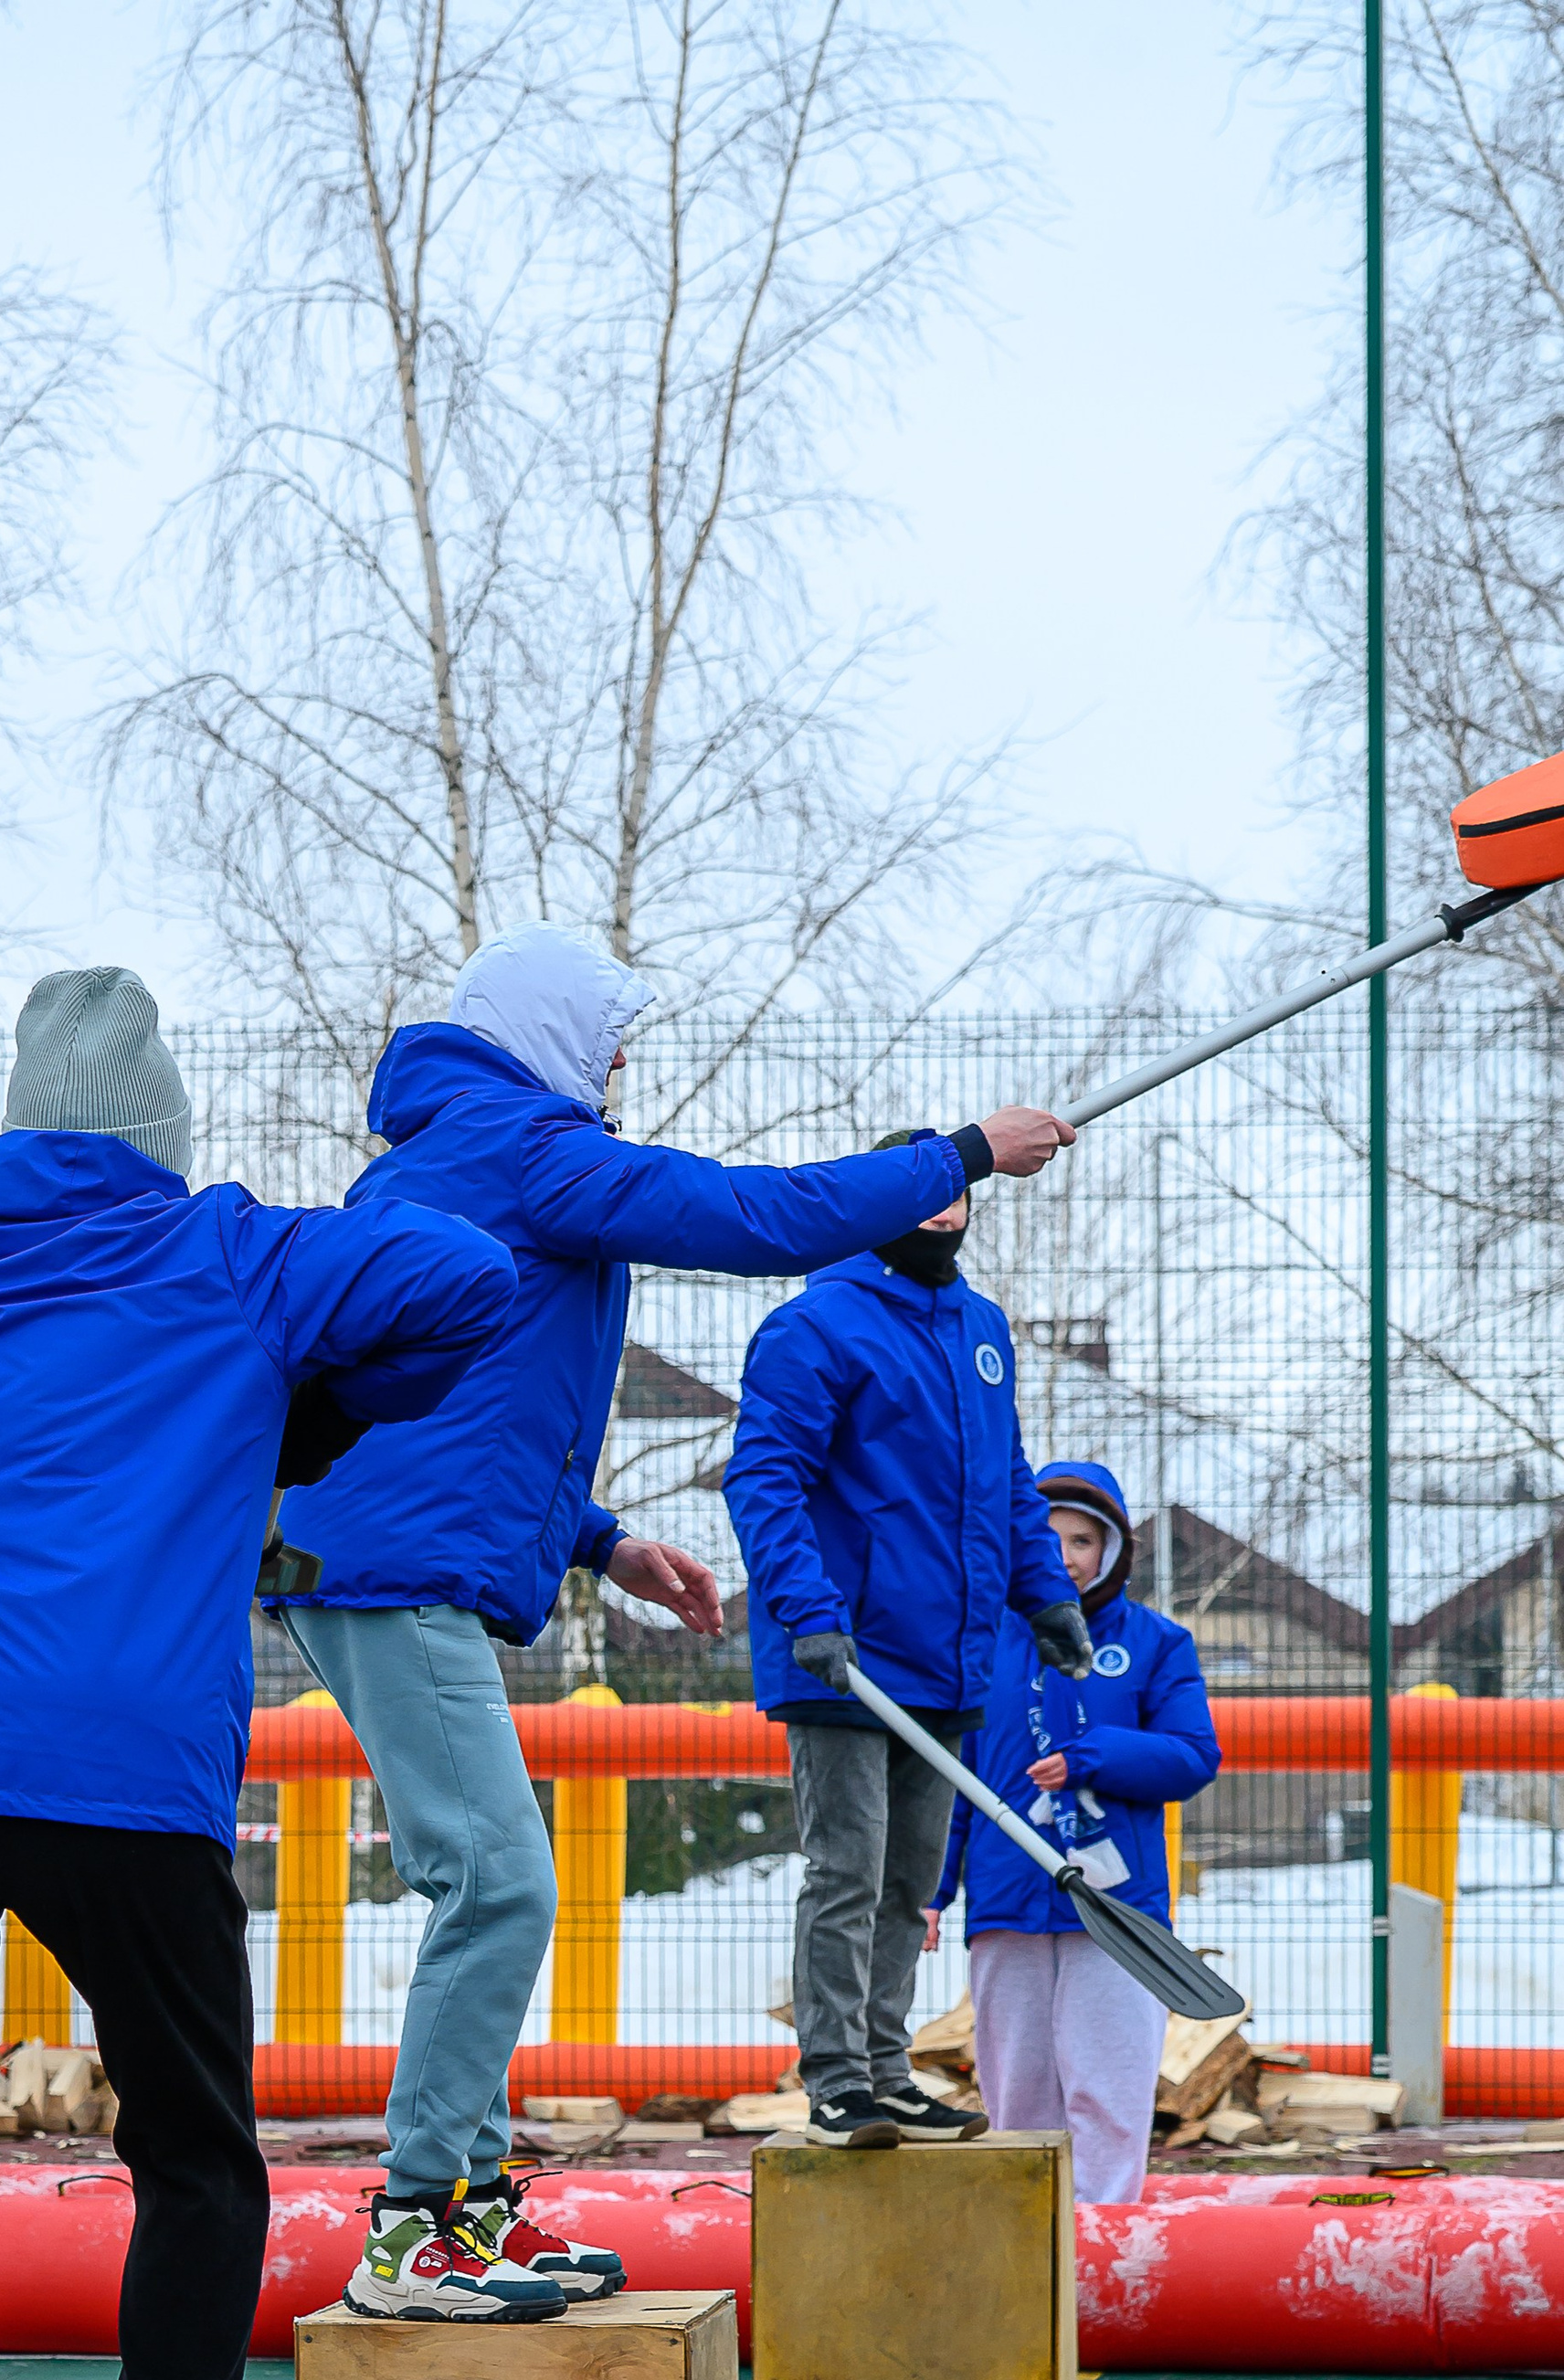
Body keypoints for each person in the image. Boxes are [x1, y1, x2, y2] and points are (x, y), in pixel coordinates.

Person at [0, 967, 518, 2380]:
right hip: (122, 1770)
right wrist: (299, 1409)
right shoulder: (234, 1253)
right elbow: (466, 1283)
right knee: (193, 2147)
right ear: (163, 1132)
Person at [279, 924, 1074, 2308]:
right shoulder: (523, 1148)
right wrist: (954, 1154)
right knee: (501, 1882)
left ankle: (465, 2204)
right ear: (550, 1035)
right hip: (386, 1571)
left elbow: (442, 1411)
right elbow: (748, 1218)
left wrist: (600, 1542)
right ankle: (417, 2224)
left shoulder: (443, 1156)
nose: (625, 1060)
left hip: (395, 1549)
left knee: (491, 1881)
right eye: (611, 1036)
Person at [723, 1169, 1088, 2147]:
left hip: (949, 1658)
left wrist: (1044, 1592)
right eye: (924, 1188)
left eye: (957, 1191)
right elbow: (764, 1478)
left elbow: (1007, 1479)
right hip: (845, 1654)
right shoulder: (816, 1326)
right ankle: (836, 2079)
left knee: (910, 1882)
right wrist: (807, 1610)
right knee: (846, 1869)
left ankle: (886, 2071)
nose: (943, 1207)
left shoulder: (981, 1330)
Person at [925, 1460, 1221, 2202]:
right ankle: (1026, 2251)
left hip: (1118, 1912)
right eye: (1045, 1536)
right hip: (1006, 1903)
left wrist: (1093, 1757)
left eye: (1083, 1539)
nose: (1063, 1554)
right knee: (1018, 2094)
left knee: (1108, 2089)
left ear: (1113, 1549)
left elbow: (1193, 1757)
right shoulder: (978, 1643)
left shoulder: (1157, 1644)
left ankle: (1104, 2252)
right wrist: (933, 1888)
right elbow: (953, 1781)